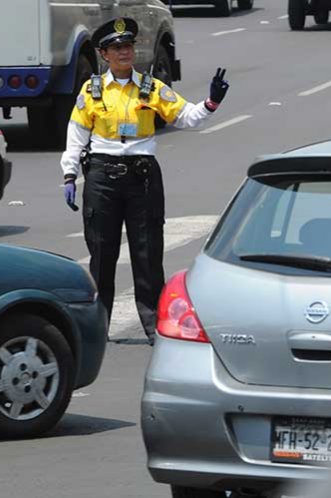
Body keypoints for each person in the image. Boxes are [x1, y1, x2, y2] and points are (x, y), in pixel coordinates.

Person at [60, 17, 229, 345]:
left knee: (148, 252)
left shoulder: (150, 87)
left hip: (143, 177)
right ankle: (98, 326)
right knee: (101, 252)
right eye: (116, 48)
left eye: (128, 47)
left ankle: (154, 326)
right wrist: (69, 174)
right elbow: (76, 135)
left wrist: (211, 103)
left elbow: (185, 117)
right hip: (102, 176)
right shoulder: (92, 91)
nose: (125, 53)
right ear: (103, 54)